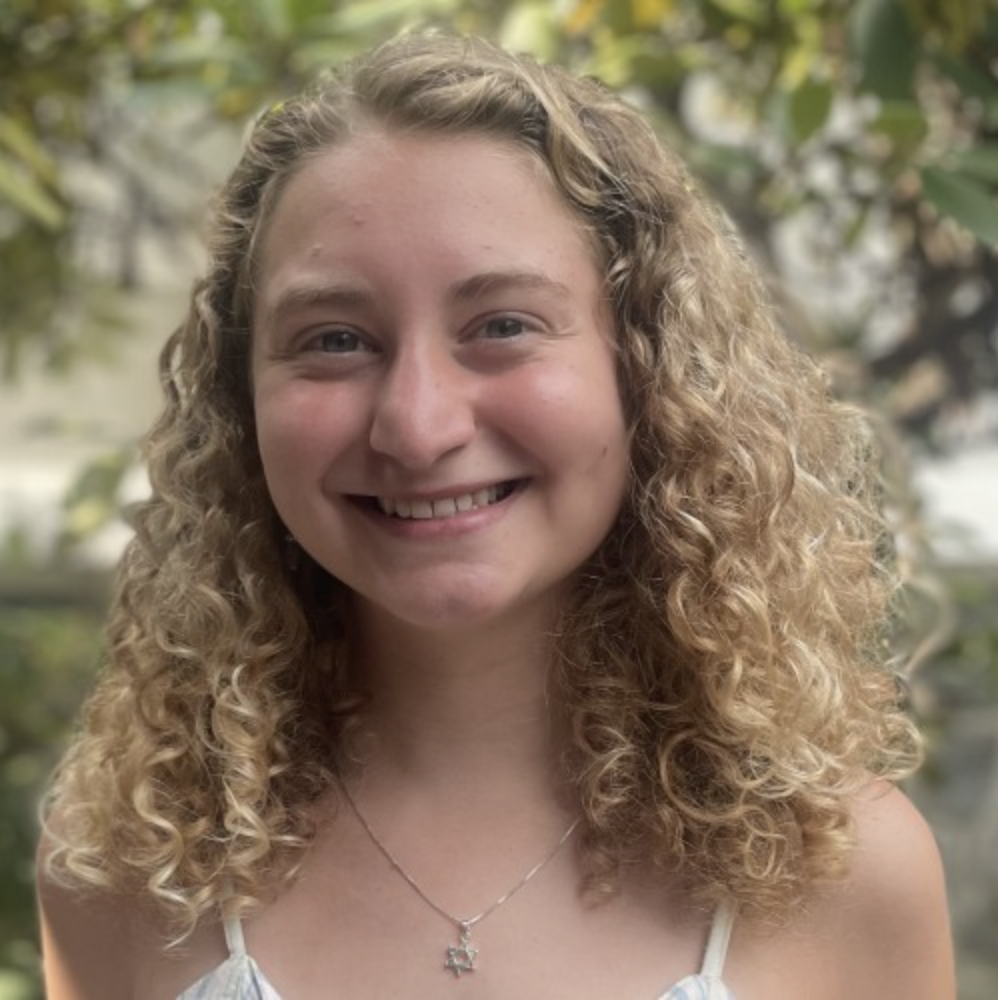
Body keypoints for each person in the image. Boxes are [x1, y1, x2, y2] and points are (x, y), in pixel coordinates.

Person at [36, 31, 954, 1000]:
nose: (417, 426)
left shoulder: (844, 874)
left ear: (647, 370)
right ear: (239, 401)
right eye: (335, 338)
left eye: (502, 325)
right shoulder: (129, 870)